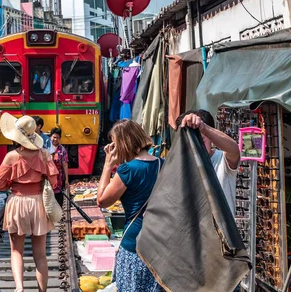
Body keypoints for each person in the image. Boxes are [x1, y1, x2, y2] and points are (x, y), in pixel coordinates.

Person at [0, 114, 58, 292]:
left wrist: (10, 183)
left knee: (16, 251)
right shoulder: (45, 154)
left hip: (17, 203)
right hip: (38, 203)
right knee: (40, 254)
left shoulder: (11, 157)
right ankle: (42, 290)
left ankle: (20, 288)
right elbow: (54, 183)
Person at [97, 120, 164, 292]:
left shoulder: (128, 170)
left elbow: (102, 201)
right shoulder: (162, 164)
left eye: (115, 143)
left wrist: (107, 165)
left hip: (135, 243)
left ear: (123, 143)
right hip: (161, 244)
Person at [177, 109, 240, 216]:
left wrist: (203, 127)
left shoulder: (221, 159)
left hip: (220, 231)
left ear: (210, 138)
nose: (194, 146)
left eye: (201, 139)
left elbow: (234, 150)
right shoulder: (179, 164)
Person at [49, 127, 69, 207]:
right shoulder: (46, 148)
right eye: (54, 137)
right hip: (48, 177)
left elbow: (65, 164)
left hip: (59, 178)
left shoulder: (62, 150)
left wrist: (67, 180)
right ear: (51, 137)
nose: (55, 139)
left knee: (58, 198)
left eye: (57, 138)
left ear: (60, 138)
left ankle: (58, 216)